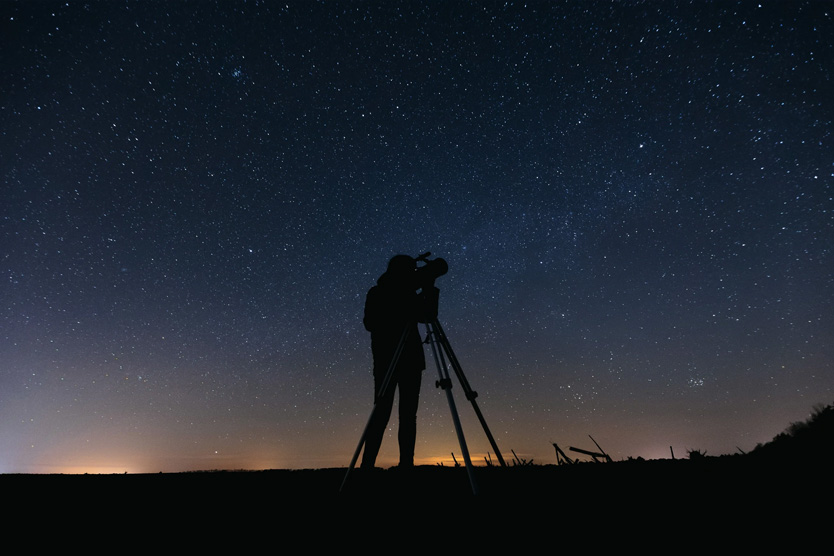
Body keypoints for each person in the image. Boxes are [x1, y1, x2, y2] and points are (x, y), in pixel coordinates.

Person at [360, 254, 427, 469]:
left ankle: (406, 465)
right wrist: (399, 304)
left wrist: (429, 288)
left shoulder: (410, 293)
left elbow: (428, 315)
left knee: (408, 416)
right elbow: (370, 323)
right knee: (381, 414)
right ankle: (367, 466)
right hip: (387, 360)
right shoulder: (378, 292)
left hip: (411, 361)